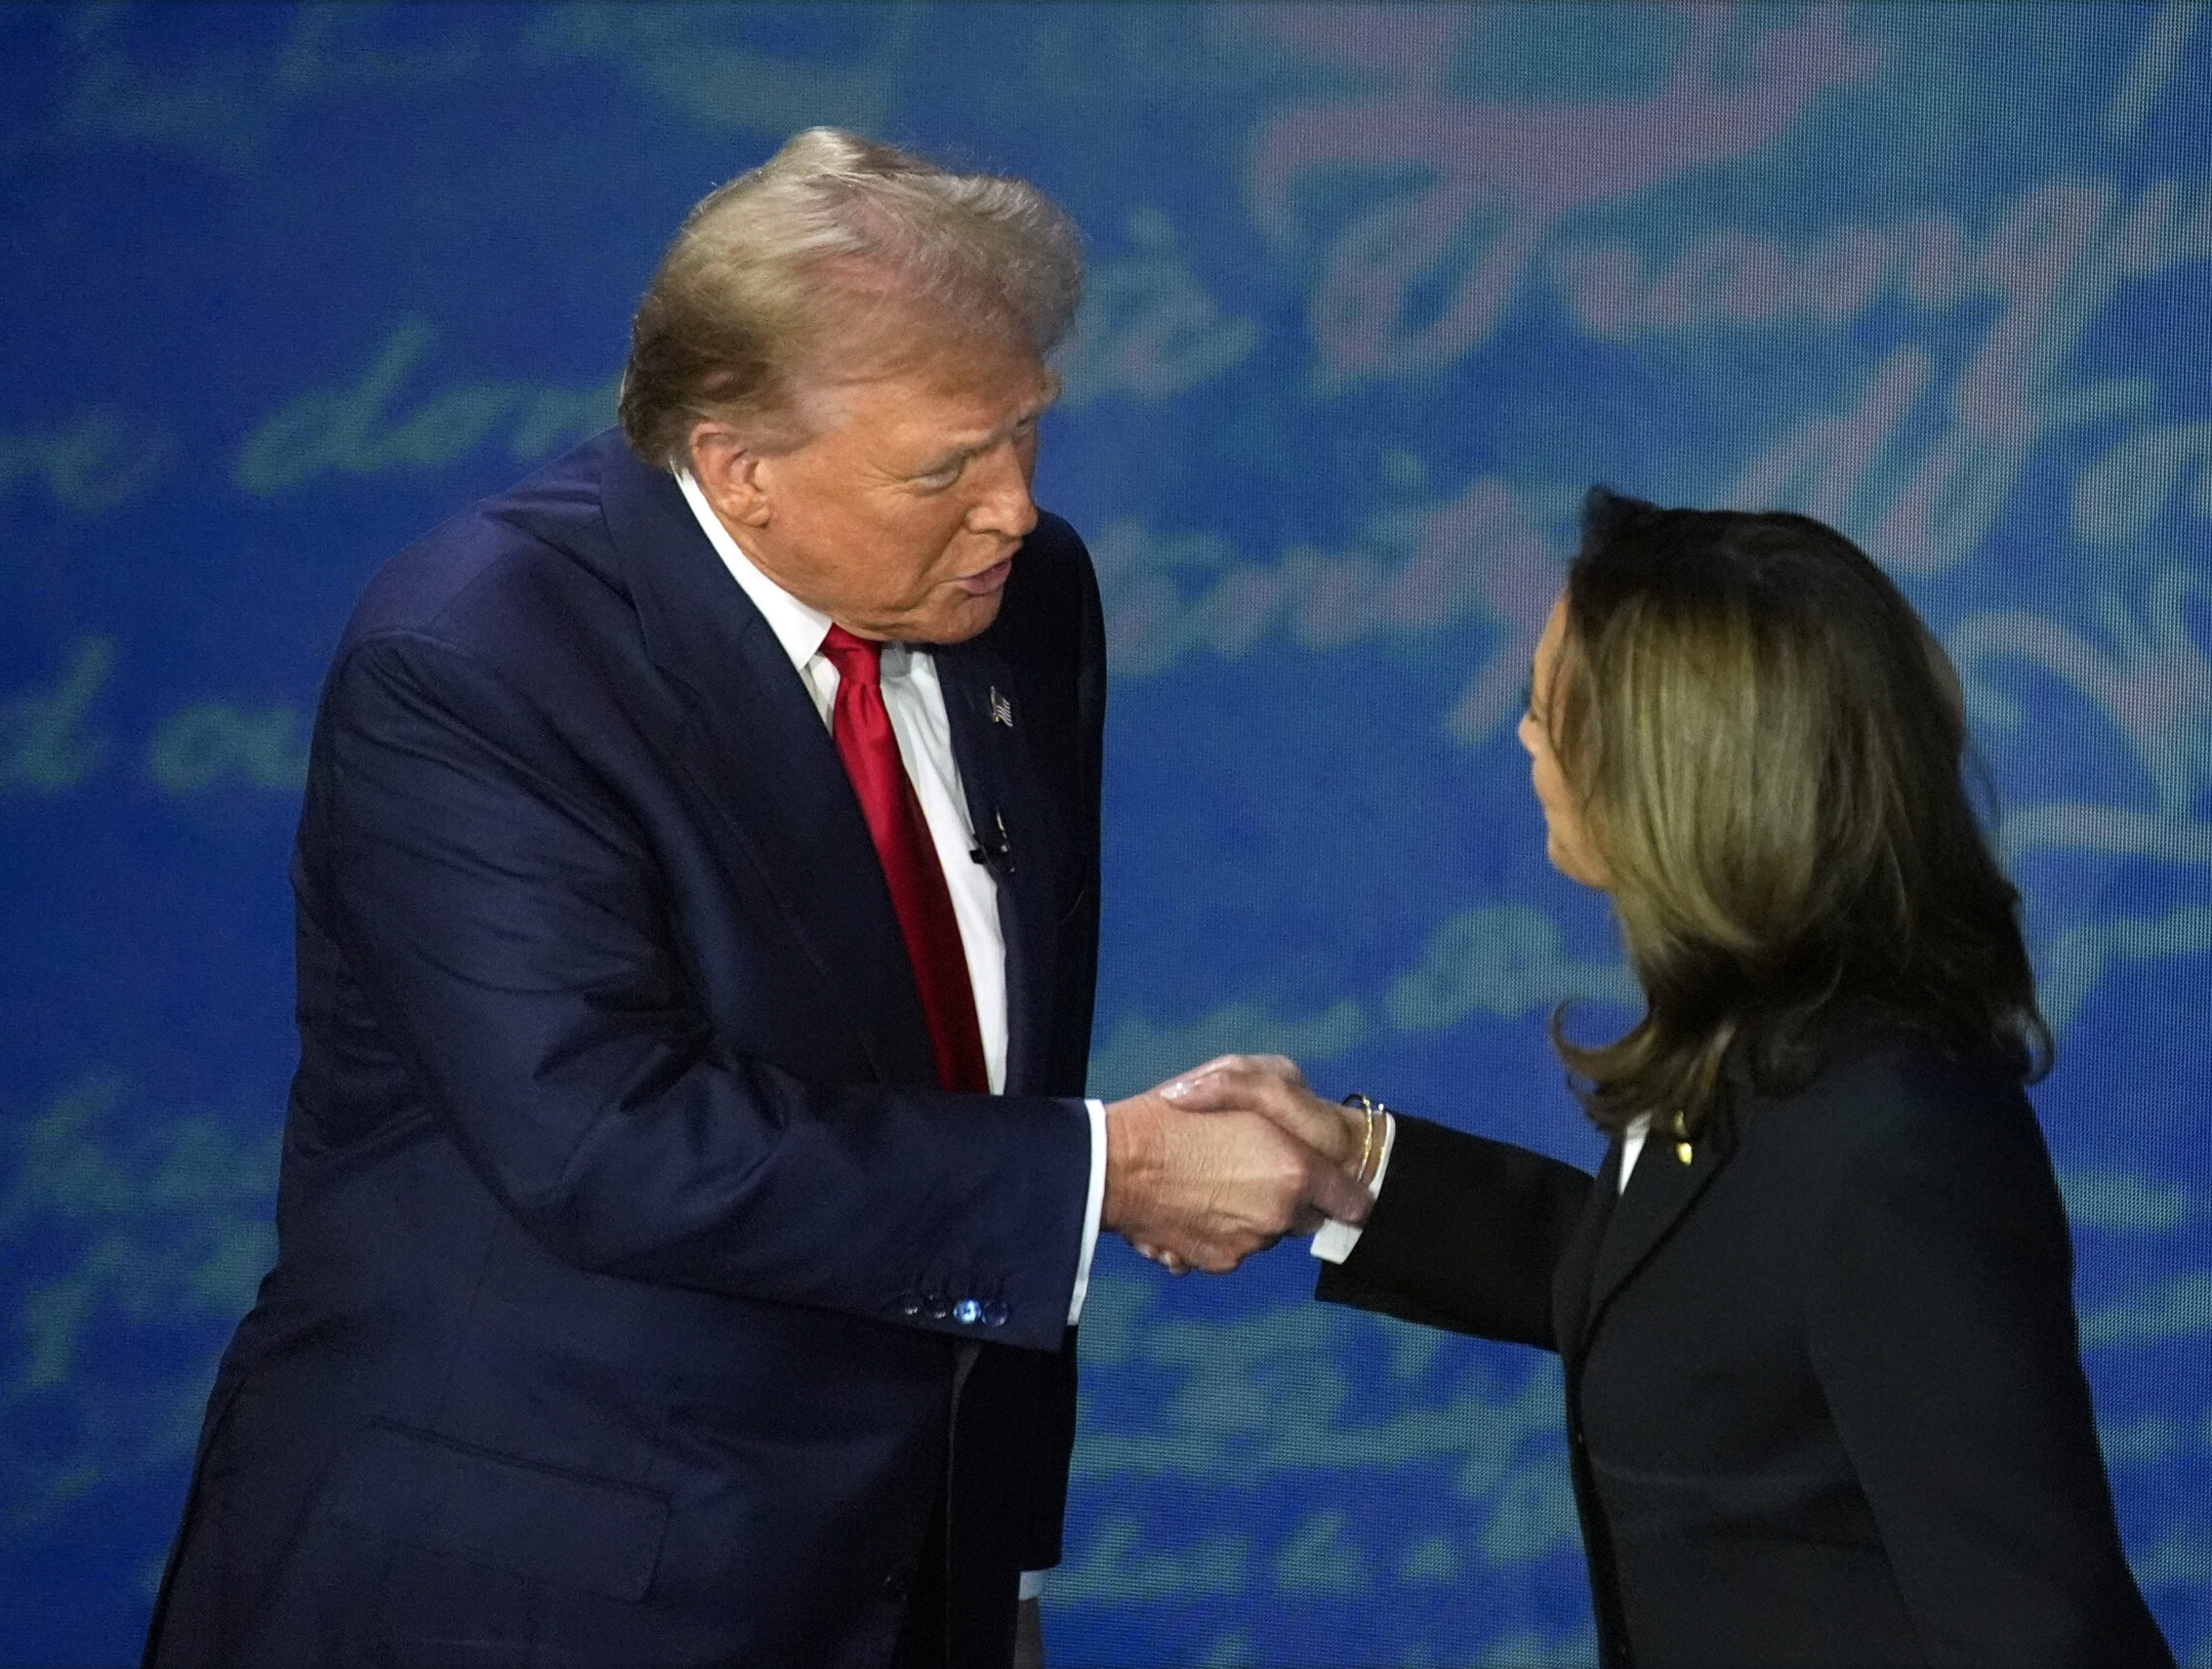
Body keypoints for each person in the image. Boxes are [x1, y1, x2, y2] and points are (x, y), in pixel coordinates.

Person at [142, 130, 1365, 1669]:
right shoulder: (478, 663)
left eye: (1024, 433)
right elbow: (608, 1138)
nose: (1011, 506)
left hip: (887, 1588)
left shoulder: (1024, 603)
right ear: (738, 468)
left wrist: (999, 1570)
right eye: (946, 465)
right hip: (529, 1592)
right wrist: (1101, 1173)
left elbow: (990, 1067)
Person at [1172, 490, 2177, 1666]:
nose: (1524, 739)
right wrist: (1357, 1174)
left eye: (1546, 710)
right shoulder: (1770, 1043)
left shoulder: (1892, 1140)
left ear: (1673, 776)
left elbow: (2039, 1633)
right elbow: (1698, 1299)